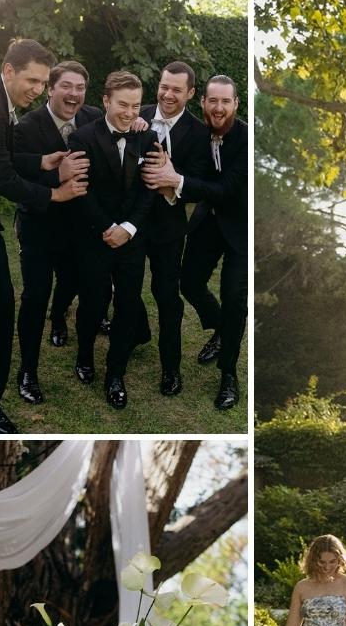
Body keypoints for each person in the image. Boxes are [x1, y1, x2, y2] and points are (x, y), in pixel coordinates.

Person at [0, 38, 87, 431]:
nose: (37, 90)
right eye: (32, 80)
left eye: (43, 82)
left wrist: (41, 161)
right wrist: (54, 193)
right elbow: (2, 176)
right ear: (9, 71)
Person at [142, 74, 247, 411]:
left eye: (225, 102)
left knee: (234, 297)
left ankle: (228, 375)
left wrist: (178, 179)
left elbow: (226, 188)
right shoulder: (199, 134)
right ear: (202, 101)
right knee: (188, 282)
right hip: (207, 220)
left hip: (241, 225)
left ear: (235, 104)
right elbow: (192, 171)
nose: (218, 108)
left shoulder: (247, 138)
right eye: (212, 100)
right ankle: (221, 328)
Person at [67, 70, 158, 409]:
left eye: (136, 106)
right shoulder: (82, 138)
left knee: (129, 306)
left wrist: (129, 228)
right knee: (91, 302)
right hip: (94, 235)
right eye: (123, 105)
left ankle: (115, 374)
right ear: (105, 100)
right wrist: (108, 227)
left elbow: (149, 189)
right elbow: (83, 191)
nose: (131, 113)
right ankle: (85, 355)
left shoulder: (147, 138)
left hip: (133, 239)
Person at [12, 60, 101, 404]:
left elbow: (123, 119)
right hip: (39, 226)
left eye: (80, 88)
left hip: (79, 227)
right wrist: (57, 177)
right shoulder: (25, 128)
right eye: (67, 86)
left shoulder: (94, 117)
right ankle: (28, 371)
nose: (74, 94)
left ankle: (59, 318)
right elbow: (17, 180)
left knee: (73, 283)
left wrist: (138, 121)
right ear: (50, 88)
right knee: (35, 297)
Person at [139, 61, 211, 397]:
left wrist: (173, 182)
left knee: (167, 297)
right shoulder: (135, 114)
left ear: (191, 93)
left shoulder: (199, 133)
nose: (168, 94)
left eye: (176, 90)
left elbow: (200, 184)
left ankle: (171, 369)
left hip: (168, 226)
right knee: (124, 289)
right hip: (132, 224)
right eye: (164, 87)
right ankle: (134, 335)